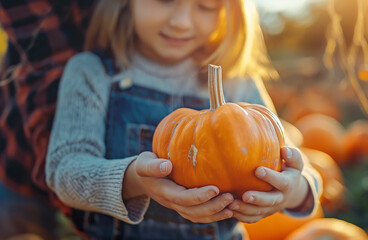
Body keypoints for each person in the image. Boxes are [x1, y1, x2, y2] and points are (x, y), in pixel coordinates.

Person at [45, 0, 322, 239]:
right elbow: (65, 171)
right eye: (165, 0)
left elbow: (298, 163)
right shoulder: (92, 72)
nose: (181, 22)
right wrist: (136, 180)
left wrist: (294, 189)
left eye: (205, 6)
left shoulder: (238, 83)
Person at [0, 1, 97, 239]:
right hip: (27, 148)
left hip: (110, 162)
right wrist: (81, 192)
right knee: (19, 222)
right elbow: (49, 72)